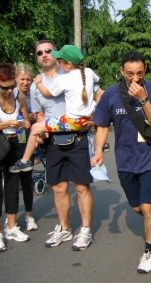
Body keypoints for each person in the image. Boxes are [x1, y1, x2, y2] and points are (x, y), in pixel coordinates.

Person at [91, 51, 151, 274]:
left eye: (140, 73)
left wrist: (143, 99)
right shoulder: (111, 95)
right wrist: (98, 150)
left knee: (147, 205)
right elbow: (103, 124)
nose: (135, 78)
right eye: (130, 73)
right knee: (136, 207)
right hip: (124, 159)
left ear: (145, 71)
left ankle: (150, 251)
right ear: (121, 71)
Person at [22, 40, 96, 251]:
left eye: (48, 51)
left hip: (78, 140)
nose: (44, 55)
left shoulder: (78, 75)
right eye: (39, 53)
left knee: (81, 187)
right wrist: (41, 132)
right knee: (58, 189)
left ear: (60, 59)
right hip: (53, 143)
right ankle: (64, 229)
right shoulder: (37, 86)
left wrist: (95, 119)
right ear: (37, 58)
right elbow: (40, 115)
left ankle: (85, 230)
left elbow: (100, 96)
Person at [10, 45, 99, 173]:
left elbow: (47, 93)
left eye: (60, 61)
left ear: (68, 64)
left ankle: (25, 161)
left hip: (72, 121)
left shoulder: (63, 79)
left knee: (35, 128)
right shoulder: (89, 72)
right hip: (87, 119)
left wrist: (38, 82)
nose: (59, 63)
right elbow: (97, 82)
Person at [0, 63, 31, 252]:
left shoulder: (19, 95)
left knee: (12, 187)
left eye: (11, 86)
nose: (9, 91)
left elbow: (25, 119)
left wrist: (24, 122)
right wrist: (5, 124)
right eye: (4, 87)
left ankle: (11, 228)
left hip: (14, 143)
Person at [14, 63, 38, 231]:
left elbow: (39, 116)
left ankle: (29, 216)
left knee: (27, 181)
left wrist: (33, 117)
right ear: (16, 78)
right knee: (12, 182)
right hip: (10, 142)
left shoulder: (33, 95)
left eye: (28, 79)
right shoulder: (10, 94)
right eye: (22, 79)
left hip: (27, 142)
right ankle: (12, 219)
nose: (25, 82)